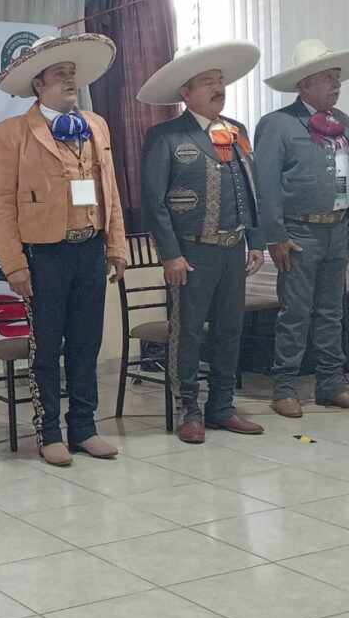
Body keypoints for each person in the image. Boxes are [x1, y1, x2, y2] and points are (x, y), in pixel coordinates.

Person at [0, 33, 126, 467]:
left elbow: (110, 190)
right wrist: (13, 263)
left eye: (72, 73)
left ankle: (83, 426)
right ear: (38, 84)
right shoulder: (13, 132)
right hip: (44, 254)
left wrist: (116, 245)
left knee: (87, 342)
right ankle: (48, 430)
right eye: (60, 74)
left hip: (90, 248)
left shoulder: (96, 124)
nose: (70, 80)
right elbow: (1, 202)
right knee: (46, 346)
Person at [138, 41, 266, 443]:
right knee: (188, 332)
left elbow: (251, 189)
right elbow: (153, 202)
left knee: (230, 330)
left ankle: (222, 406)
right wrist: (170, 254)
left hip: (233, 248)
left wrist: (256, 240)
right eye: (208, 82)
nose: (218, 87)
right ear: (186, 92)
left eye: (220, 80)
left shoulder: (236, 131)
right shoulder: (165, 136)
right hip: (190, 252)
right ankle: (188, 410)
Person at [255, 39, 349, 417]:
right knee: (295, 312)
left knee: (332, 311)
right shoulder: (277, 124)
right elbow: (266, 186)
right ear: (305, 84)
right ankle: (284, 387)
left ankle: (330, 383)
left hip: (337, 229)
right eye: (328, 77)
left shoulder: (342, 123)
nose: (337, 83)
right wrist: (275, 236)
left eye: (337, 77)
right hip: (298, 233)